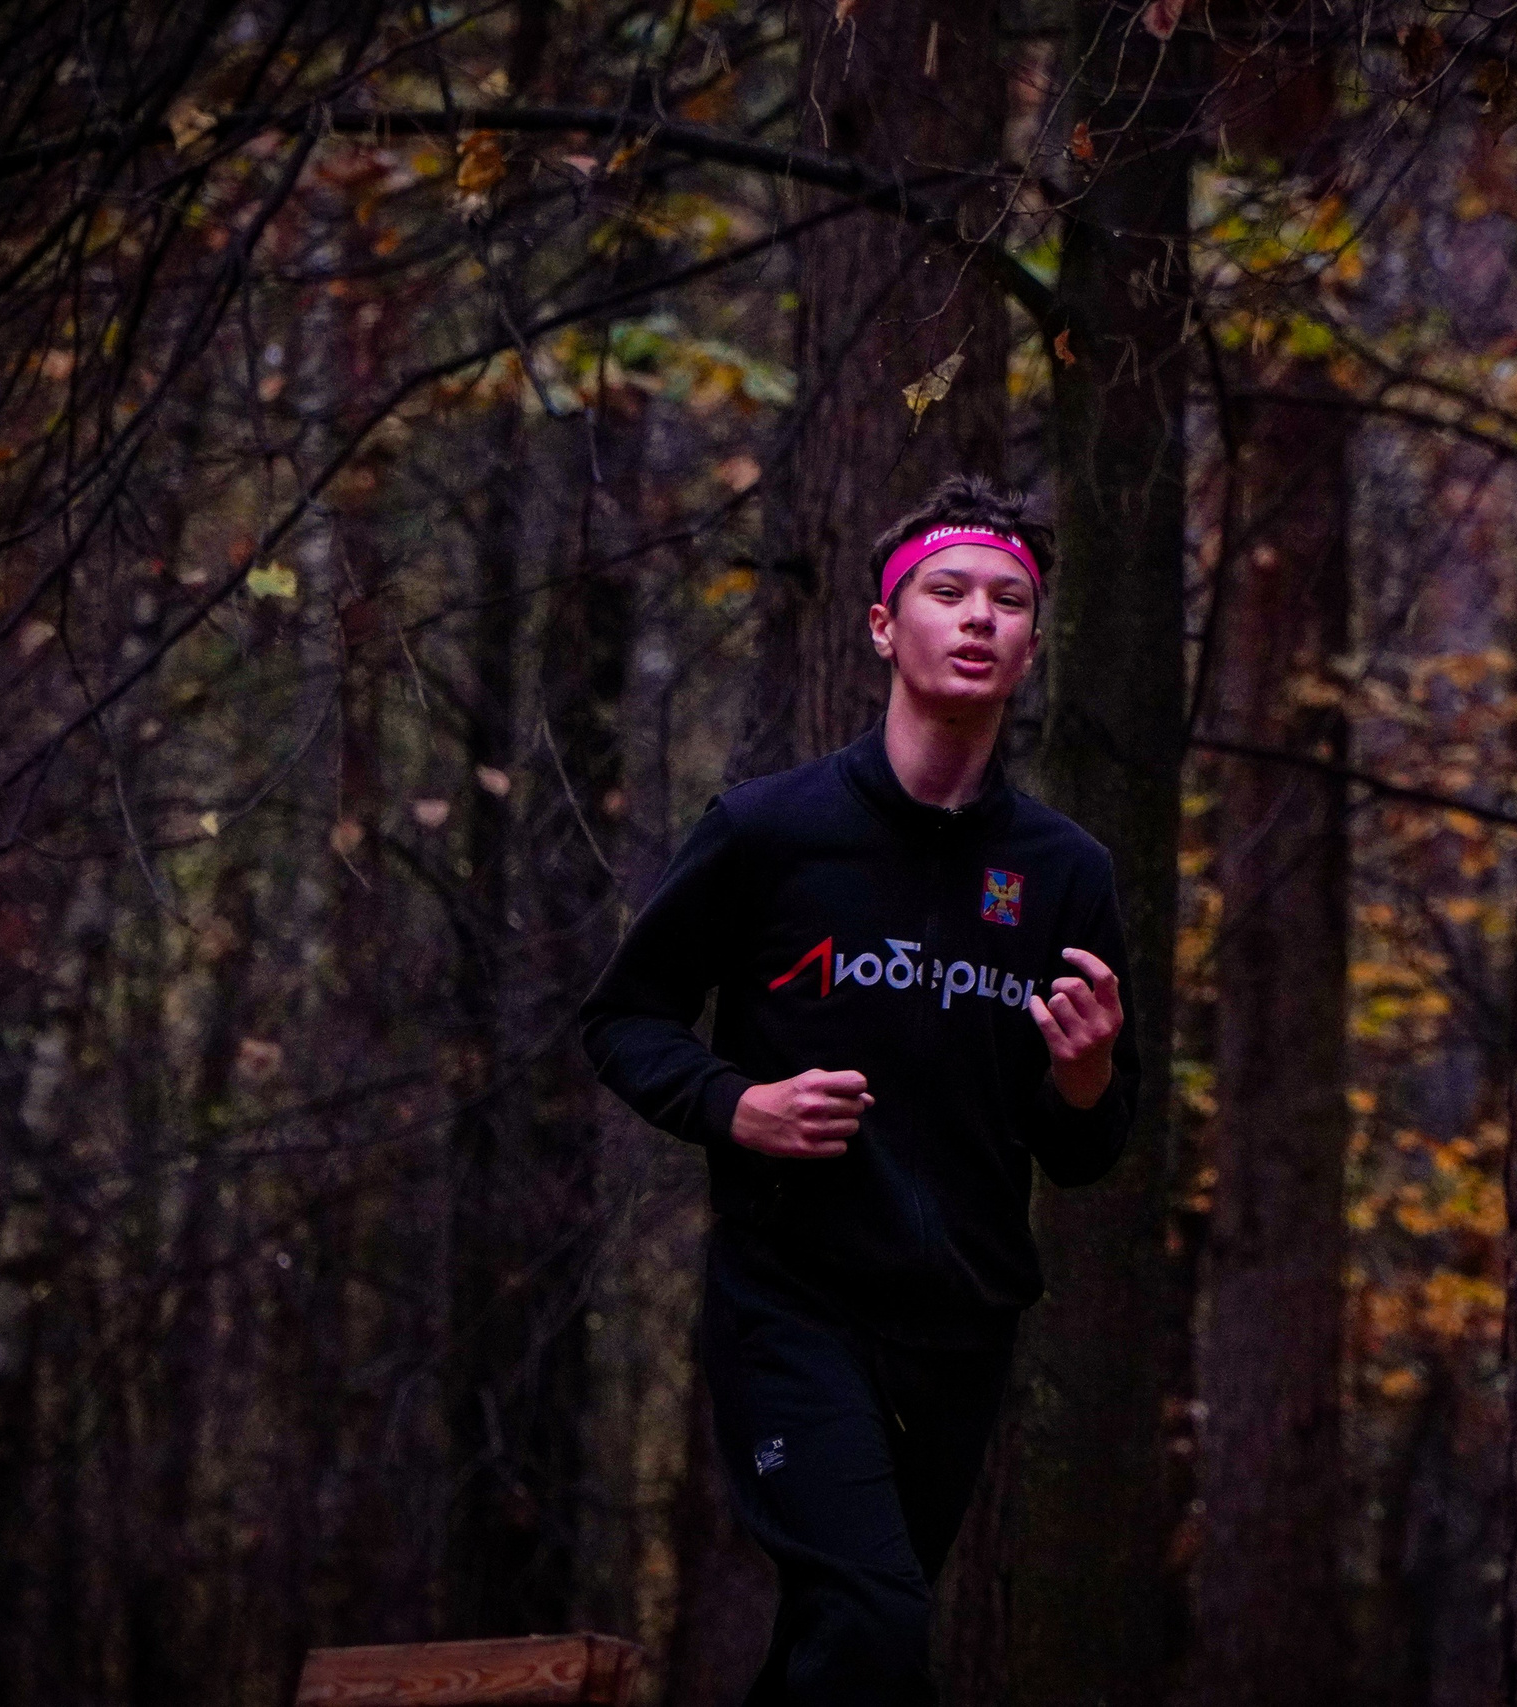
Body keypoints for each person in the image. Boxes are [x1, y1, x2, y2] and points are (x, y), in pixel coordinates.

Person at [579, 474, 1137, 1705]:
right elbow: (621, 1018)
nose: (979, 618)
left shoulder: (1063, 872)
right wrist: (738, 1107)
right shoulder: (770, 830)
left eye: (1008, 600)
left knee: (843, 1647)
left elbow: (1087, 1145)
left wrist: (1086, 1076)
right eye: (947, 593)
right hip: (793, 1305)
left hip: (963, 1319)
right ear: (885, 626)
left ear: (1033, 646)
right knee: (876, 1619)